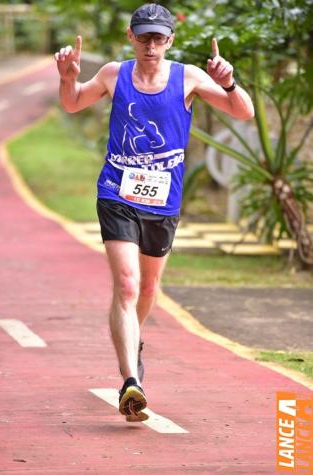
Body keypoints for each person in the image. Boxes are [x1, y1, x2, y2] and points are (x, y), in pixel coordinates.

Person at [55, 3, 254, 421]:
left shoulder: (189, 78)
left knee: (147, 291)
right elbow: (73, 104)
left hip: (164, 201)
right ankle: (132, 381)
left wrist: (230, 82)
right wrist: (67, 79)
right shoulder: (114, 73)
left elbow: (243, 112)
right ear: (131, 37)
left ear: (170, 40)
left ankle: (134, 342)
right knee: (127, 286)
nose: (150, 45)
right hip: (117, 192)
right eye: (143, 36)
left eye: (158, 37)